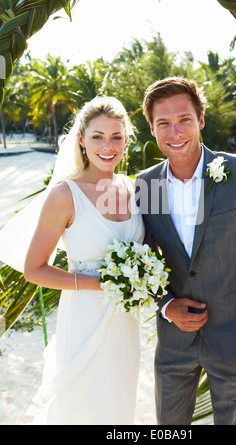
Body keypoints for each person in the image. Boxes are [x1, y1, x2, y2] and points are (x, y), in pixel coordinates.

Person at [135, 77, 236, 425]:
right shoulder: (147, 184)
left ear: (201, 119)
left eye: (184, 119)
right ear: (152, 128)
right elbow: (145, 260)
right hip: (174, 342)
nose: (175, 132)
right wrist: (166, 306)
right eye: (164, 123)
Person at [0, 96, 144, 425]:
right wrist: (98, 283)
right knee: (83, 406)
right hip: (84, 318)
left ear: (126, 138)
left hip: (126, 322)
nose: (108, 146)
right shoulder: (65, 194)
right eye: (97, 136)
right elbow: (34, 269)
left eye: (116, 137)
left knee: (121, 405)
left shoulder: (137, 189)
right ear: (81, 139)